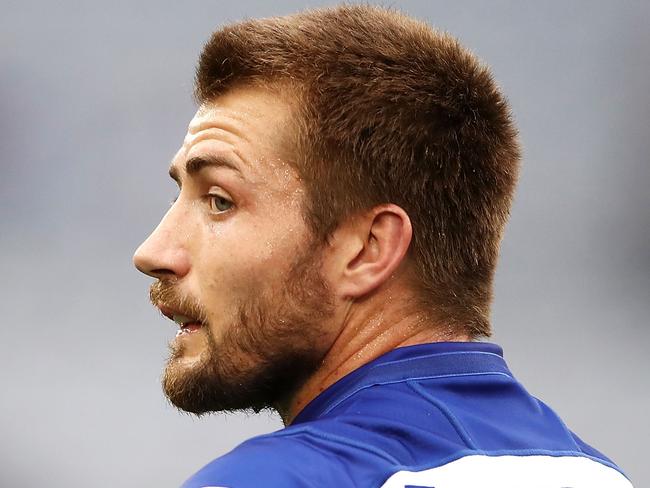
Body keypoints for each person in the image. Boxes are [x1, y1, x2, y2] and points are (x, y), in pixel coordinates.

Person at [133, 5, 632, 487]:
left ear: (368, 250)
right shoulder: (600, 476)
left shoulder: (272, 479)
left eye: (219, 201)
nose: (153, 252)